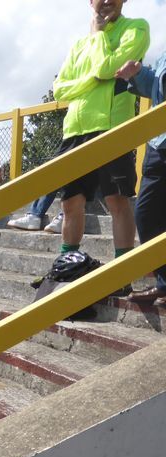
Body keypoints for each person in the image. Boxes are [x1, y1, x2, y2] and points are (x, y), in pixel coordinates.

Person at [51, 0, 149, 286]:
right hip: (74, 130)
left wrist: (98, 36)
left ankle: (122, 276)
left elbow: (109, 68)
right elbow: (59, 88)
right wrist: (94, 77)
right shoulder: (78, 44)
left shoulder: (136, 28)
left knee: (117, 200)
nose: (106, 0)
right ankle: (65, 268)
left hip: (111, 127)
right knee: (70, 203)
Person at [117, 51, 166, 305]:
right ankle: (165, 282)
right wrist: (137, 73)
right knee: (145, 215)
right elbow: (155, 90)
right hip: (159, 145)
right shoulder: (163, 56)